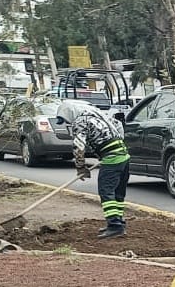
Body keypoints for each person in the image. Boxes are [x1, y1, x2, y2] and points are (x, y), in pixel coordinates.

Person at [56, 99, 131, 239]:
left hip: (112, 159)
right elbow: (119, 126)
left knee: (106, 192)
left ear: (70, 114)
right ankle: (119, 223)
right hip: (124, 155)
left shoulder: (79, 122)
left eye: (65, 120)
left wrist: (80, 167)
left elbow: (79, 146)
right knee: (118, 193)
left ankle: (114, 226)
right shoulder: (98, 115)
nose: (67, 123)